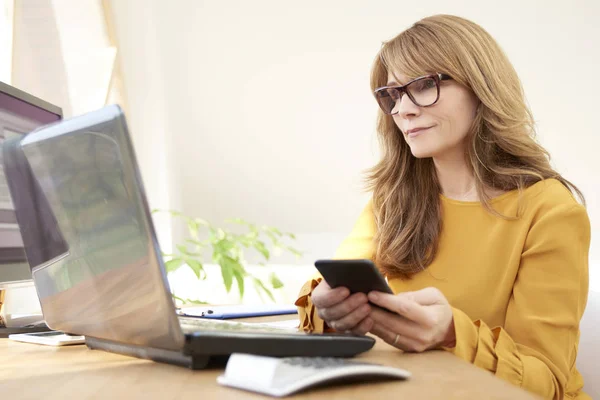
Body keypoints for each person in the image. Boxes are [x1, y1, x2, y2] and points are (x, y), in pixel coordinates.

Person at [294, 14, 591, 400]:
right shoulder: (392, 198)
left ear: (481, 86)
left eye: (423, 85)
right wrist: (327, 310)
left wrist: (452, 333)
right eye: (393, 94)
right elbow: (332, 292)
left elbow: (545, 381)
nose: (403, 109)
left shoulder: (549, 211)